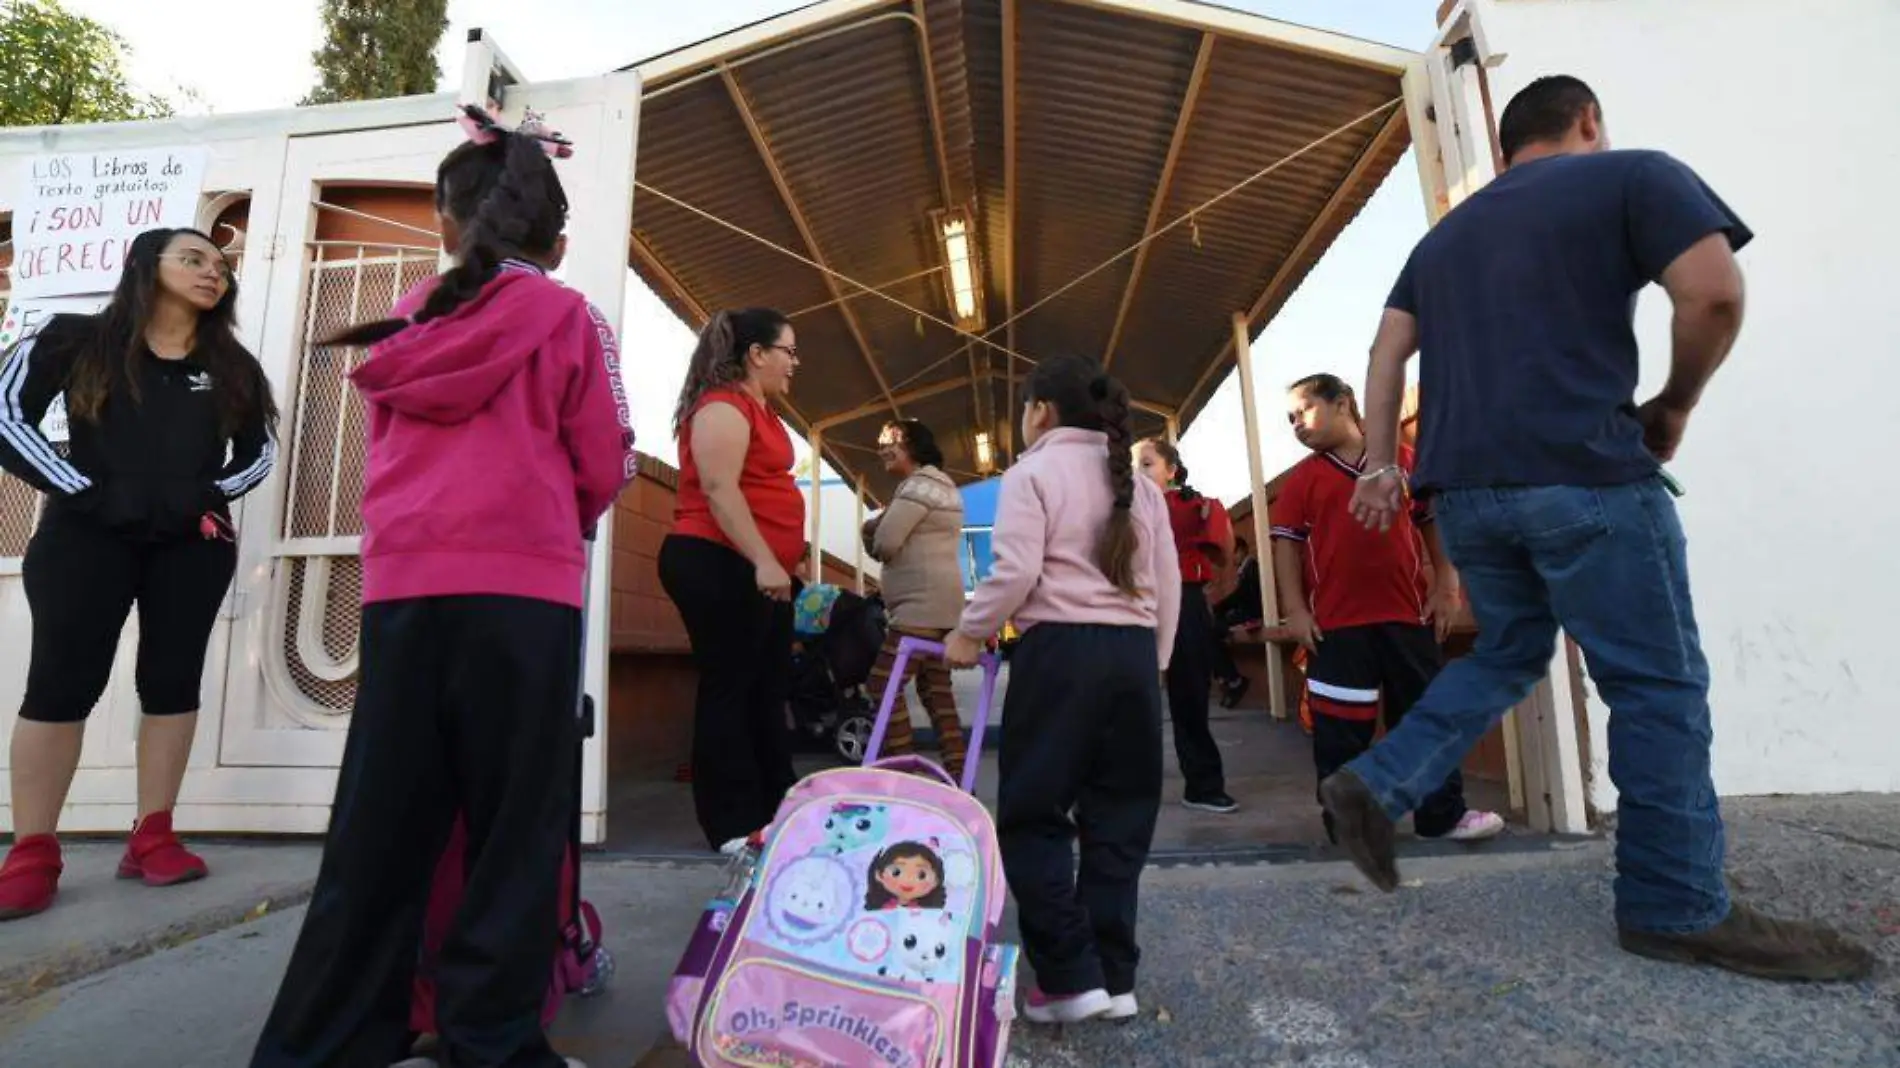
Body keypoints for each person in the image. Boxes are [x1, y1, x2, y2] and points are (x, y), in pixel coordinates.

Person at [1324, 75, 1874, 980]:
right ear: (1588, 120)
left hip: (1464, 492)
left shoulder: (1446, 236)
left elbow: (1387, 350)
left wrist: (1384, 463)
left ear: (1503, 150)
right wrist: (1676, 405)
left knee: (1506, 655)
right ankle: (1676, 906)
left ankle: (1374, 783)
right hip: (1583, 475)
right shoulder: (1632, 174)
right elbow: (1713, 296)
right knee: (1656, 686)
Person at [251, 106, 635, 1068]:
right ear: (557, 238)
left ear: (442, 221)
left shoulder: (406, 322)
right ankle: (492, 1041)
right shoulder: (566, 315)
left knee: (381, 824)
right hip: (524, 597)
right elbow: (603, 460)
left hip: (403, 594)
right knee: (515, 828)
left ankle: (330, 1042)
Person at [0, 227, 277, 921]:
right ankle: (32, 850)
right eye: (193, 259)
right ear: (143, 267)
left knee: (172, 682)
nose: (212, 272)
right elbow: (5, 418)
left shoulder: (233, 364)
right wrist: (84, 490)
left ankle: (152, 835)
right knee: (60, 686)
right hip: (84, 538)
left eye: (220, 265)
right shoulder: (71, 339)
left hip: (190, 544)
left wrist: (207, 496)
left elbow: (259, 452)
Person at [946, 354, 1180, 1025]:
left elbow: (1014, 571)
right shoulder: (1144, 488)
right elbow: (1166, 588)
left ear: (1040, 412)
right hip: (1133, 659)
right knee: (1120, 819)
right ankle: (1115, 976)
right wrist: (1153, 661)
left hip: (1060, 656)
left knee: (1035, 813)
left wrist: (970, 631)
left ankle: (1070, 978)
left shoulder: (1032, 473)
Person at [1271, 372, 1503, 845]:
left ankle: (1440, 816)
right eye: (1289, 418)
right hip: (1334, 628)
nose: (1296, 423)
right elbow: (1286, 549)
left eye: (1305, 409)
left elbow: (1432, 524)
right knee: (1340, 734)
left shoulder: (1402, 462)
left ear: (1343, 403)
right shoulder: (1302, 481)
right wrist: (1295, 610)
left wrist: (1446, 586)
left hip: (1407, 618)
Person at [657, 306, 804, 854]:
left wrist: (781, 560)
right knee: (732, 688)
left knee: (766, 691)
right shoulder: (722, 406)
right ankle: (731, 824)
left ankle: (775, 811)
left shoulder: (762, 410)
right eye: (787, 351)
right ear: (756, 354)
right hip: (716, 561)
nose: (794, 363)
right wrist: (765, 559)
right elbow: (719, 490)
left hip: (759, 568)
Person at [861, 419, 968, 778]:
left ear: (911, 444)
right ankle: (959, 779)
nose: (880, 448)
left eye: (888, 440)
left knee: (882, 686)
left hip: (917, 610)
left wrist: (871, 530)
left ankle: (903, 776)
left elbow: (886, 542)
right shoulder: (944, 485)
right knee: (938, 695)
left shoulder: (917, 486)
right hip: (942, 609)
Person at [1134, 438, 1236, 814]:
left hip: (1186, 599)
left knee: (1190, 695)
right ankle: (1122, 790)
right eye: (1132, 465)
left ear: (1171, 470)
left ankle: (1203, 785)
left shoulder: (1197, 506)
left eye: (1146, 464)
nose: (1137, 473)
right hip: (1132, 602)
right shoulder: (1120, 508)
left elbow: (1223, 556)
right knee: (1125, 698)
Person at [1209, 535, 1256, 708]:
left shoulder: (1252, 567)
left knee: (1212, 632)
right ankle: (1225, 677)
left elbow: (1242, 595)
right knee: (1212, 632)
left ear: (1242, 550)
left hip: (1251, 615)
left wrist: (1220, 607)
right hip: (1243, 613)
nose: (1232, 558)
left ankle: (1233, 680)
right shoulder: (1244, 569)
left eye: (1234, 553)